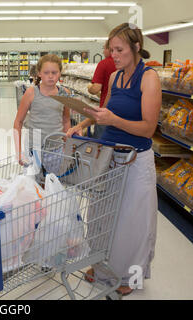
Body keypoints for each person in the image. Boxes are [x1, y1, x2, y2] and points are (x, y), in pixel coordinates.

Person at [67, 23, 161, 296]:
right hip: (107, 157)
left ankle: (130, 277)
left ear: (135, 47)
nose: (113, 55)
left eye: (119, 50)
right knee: (100, 214)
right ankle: (99, 264)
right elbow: (104, 111)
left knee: (133, 222)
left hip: (135, 161)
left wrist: (115, 120)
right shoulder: (115, 78)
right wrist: (82, 123)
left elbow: (147, 129)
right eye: (111, 49)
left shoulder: (149, 78)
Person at [14, 54, 71, 166]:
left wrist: (67, 145)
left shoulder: (64, 93)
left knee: (53, 181)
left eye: (54, 73)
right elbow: (18, 122)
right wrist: (18, 151)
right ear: (39, 73)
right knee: (33, 182)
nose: (50, 76)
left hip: (56, 149)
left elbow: (66, 120)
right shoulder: (31, 93)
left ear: (60, 73)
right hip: (33, 148)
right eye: (46, 73)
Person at [87, 40, 117, 138]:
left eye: (104, 48)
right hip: (121, 113)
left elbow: (96, 88)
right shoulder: (127, 66)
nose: (103, 51)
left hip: (106, 110)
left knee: (101, 144)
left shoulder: (103, 64)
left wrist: (89, 88)